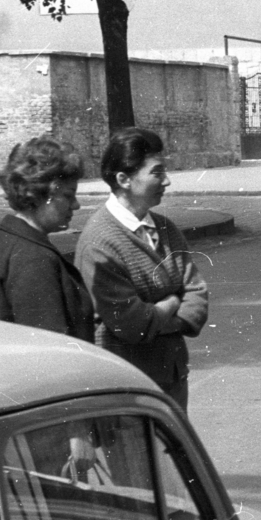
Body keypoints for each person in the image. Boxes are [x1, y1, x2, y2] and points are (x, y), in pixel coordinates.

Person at [76, 127, 208, 410]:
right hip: (127, 390)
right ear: (124, 179)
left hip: (172, 381)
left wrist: (158, 316)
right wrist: (174, 301)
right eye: (157, 173)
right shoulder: (99, 242)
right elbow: (132, 324)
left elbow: (197, 296)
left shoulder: (165, 229)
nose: (168, 181)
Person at [0, 137, 93, 340]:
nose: (76, 205)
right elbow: (50, 344)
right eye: (68, 195)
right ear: (41, 195)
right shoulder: (36, 259)